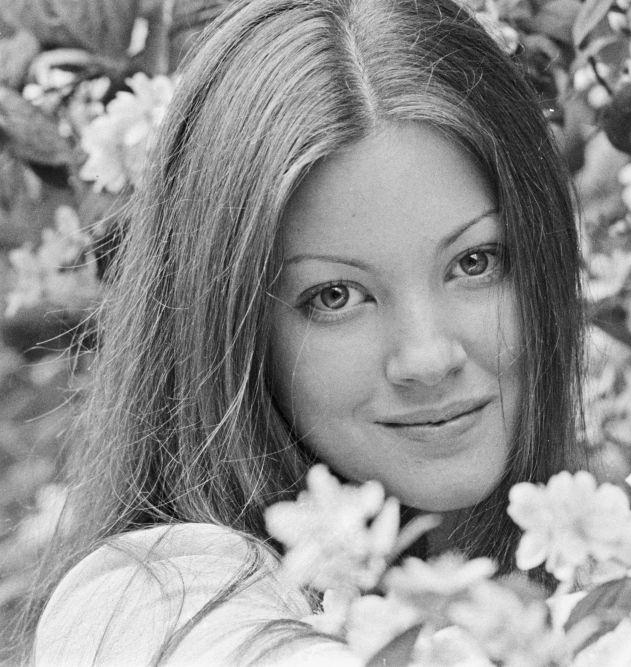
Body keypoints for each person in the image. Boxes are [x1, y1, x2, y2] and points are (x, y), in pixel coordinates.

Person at [18, 0, 586, 662]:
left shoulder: (599, 552)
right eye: (336, 296)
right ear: (232, 329)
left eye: (473, 262)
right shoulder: (150, 597)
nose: (428, 357)